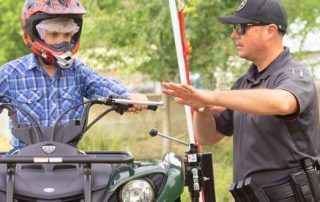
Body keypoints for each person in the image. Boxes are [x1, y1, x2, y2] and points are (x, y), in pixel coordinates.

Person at [162, 0, 320, 201]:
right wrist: (203, 110)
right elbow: (208, 137)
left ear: (270, 30)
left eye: (242, 28)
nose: (234, 35)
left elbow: (282, 102)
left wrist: (213, 95)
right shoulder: (244, 83)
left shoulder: (295, 75)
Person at [0, 0, 148, 155]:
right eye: (54, 34)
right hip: (21, 162)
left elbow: (102, 84)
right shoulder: (10, 74)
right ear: (35, 34)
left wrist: (130, 96)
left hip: (70, 160)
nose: (62, 40)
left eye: (67, 34)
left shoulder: (79, 72)